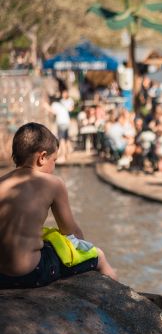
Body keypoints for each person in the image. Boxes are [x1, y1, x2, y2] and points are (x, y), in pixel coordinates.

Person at [0, 122, 117, 289]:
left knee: (47, 241)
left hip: (1, 275)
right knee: (99, 256)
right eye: (54, 160)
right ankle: (115, 299)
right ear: (42, 157)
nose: (54, 167)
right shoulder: (53, 184)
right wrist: (84, 251)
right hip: (30, 273)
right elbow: (71, 231)